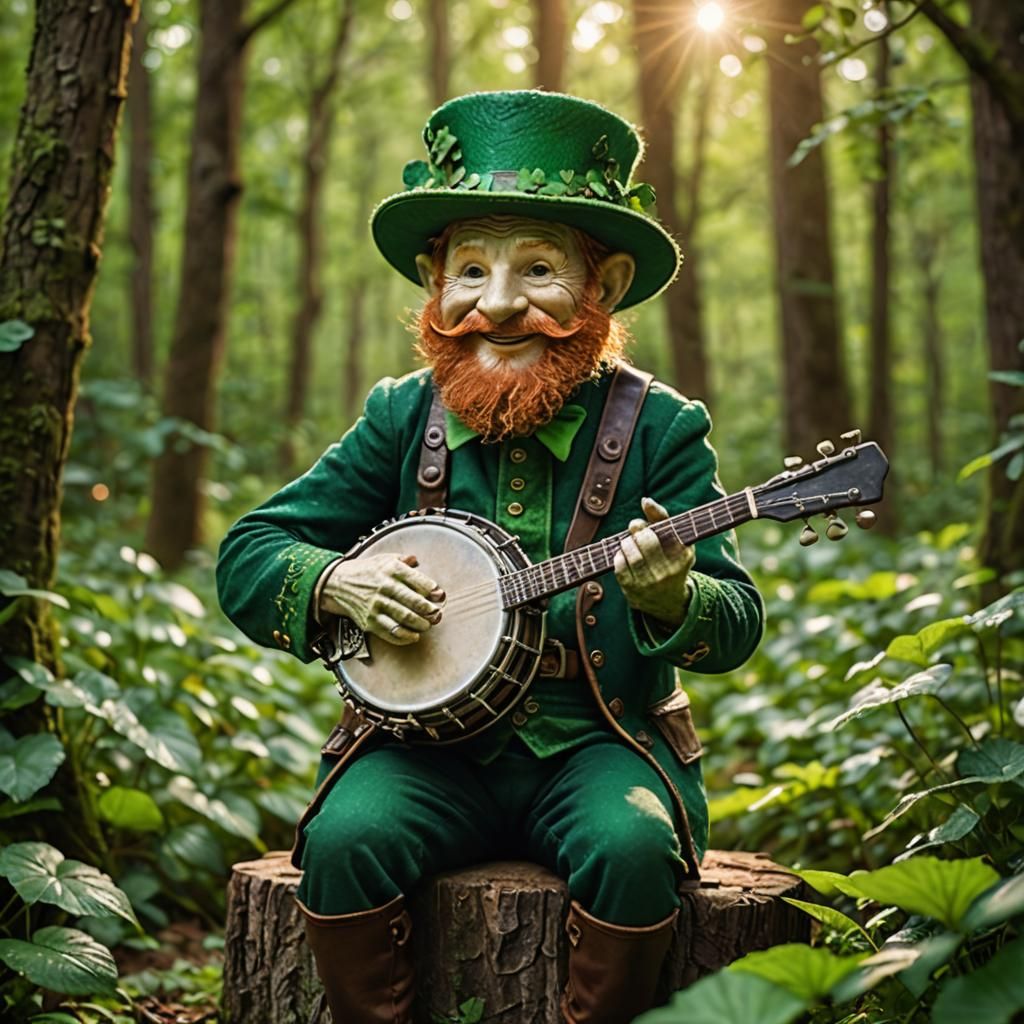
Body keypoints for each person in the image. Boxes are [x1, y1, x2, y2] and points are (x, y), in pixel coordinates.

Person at [217, 90, 763, 1024]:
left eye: (539, 269)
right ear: (435, 280)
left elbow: (738, 618)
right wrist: (335, 581)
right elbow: (249, 550)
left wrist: (675, 602)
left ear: (608, 281)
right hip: (425, 752)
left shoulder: (662, 427)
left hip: (601, 741)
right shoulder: (401, 413)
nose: (498, 304)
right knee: (344, 839)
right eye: (470, 269)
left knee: (632, 850)